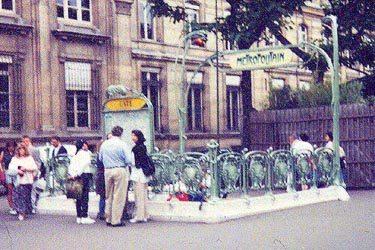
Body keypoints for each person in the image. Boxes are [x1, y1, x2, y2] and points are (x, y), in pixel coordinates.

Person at [99, 126, 132, 227]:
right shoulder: (122, 144)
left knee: (109, 195)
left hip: (107, 170)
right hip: (120, 169)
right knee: (119, 195)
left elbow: (100, 158)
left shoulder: (105, 144)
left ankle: (108, 218)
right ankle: (116, 220)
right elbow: (128, 160)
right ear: (121, 134)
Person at [7, 143, 38, 221]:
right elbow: (10, 169)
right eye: (19, 149)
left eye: (23, 149)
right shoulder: (14, 159)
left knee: (25, 197)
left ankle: (24, 211)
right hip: (17, 181)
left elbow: (34, 168)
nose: (21, 151)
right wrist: (18, 171)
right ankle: (20, 212)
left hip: (27, 180)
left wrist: (26, 169)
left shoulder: (29, 158)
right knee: (17, 197)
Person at [68, 139, 95, 225]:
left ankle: (79, 216)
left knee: (78, 196)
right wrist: (78, 173)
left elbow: (71, 166)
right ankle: (85, 216)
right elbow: (85, 165)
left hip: (76, 176)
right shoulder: (85, 154)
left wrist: (73, 174)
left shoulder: (75, 155)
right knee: (85, 196)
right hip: (84, 175)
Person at [129, 130, 150, 223]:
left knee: (138, 196)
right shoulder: (143, 147)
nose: (132, 137)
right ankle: (145, 214)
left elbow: (134, 162)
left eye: (134, 136)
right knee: (143, 195)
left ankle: (139, 216)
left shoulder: (136, 148)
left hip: (138, 174)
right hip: (144, 174)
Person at [22, 135, 42, 214]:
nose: (24, 143)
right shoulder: (21, 149)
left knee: (32, 190)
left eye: (26, 141)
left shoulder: (34, 150)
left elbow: (38, 162)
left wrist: (35, 173)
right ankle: (26, 207)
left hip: (32, 172)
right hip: (24, 173)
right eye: (23, 141)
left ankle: (32, 206)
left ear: (29, 141)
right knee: (25, 191)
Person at [0, 141, 18, 215]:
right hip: (8, 172)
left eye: (13, 146)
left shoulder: (16, 153)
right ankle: (11, 207)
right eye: (10, 146)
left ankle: (17, 205)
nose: (11, 148)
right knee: (10, 190)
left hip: (16, 172)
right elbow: (0, 162)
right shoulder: (4, 153)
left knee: (17, 189)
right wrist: (2, 171)